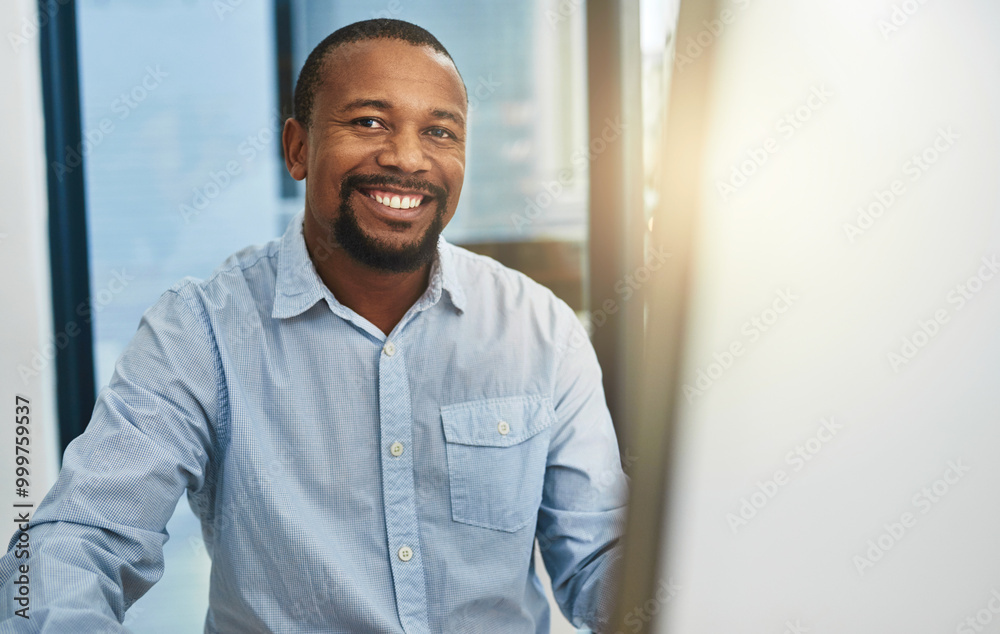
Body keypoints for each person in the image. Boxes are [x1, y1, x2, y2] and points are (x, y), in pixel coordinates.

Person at [0, 19, 627, 633]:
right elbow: (80, 540)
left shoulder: (538, 328)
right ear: (298, 148)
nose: (407, 158)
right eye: (368, 122)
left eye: (440, 132)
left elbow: (601, 555)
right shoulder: (200, 331)